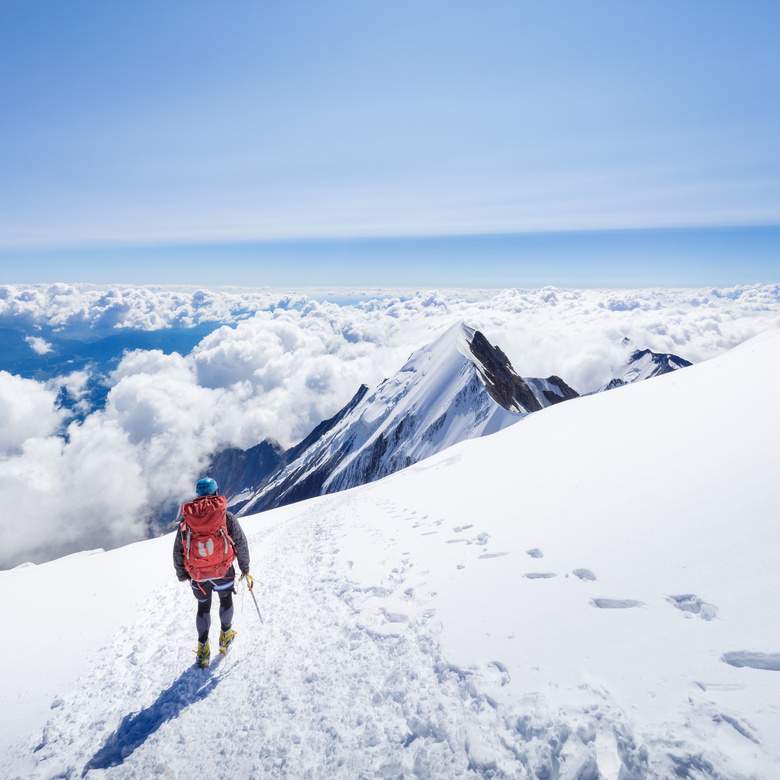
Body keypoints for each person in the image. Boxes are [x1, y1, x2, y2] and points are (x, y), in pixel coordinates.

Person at [173, 477, 251, 668]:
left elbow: (178, 549)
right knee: (225, 600)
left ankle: (203, 651)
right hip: (223, 571)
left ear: (198, 494)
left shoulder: (187, 520)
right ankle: (225, 639)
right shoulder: (226, 516)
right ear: (216, 491)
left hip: (198, 576)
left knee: (203, 607)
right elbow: (241, 542)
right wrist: (245, 567)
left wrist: (182, 573)